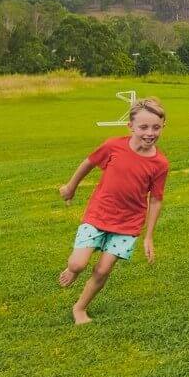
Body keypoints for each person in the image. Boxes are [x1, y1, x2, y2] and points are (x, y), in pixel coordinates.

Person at [57, 97, 170, 324]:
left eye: (156, 127)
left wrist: (148, 236)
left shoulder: (160, 164)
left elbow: (156, 200)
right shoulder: (113, 146)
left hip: (128, 224)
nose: (150, 133)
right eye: (144, 127)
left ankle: (80, 308)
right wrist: (70, 187)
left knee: (103, 270)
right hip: (99, 214)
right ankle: (73, 270)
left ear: (163, 126)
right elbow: (88, 163)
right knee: (78, 263)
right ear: (131, 126)